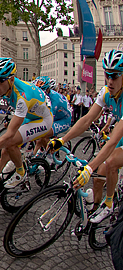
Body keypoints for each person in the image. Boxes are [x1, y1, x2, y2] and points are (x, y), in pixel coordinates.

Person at [51, 49, 123, 221]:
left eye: (115, 76)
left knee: (111, 161)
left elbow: (113, 142)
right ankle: (94, 214)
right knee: (99, 177)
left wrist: (89, 168)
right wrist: (63, 139)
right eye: (107, 75)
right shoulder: (107, 92)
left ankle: (109, 203)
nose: (109, 81)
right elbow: (87, 119)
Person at [0, 57, 53, 189]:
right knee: (6, 150)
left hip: (43, 120)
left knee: (10, 141)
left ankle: (20, 172)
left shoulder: (22, 97)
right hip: (31, 114)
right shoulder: (2, 85)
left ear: (11, 79)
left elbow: (9, 134)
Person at [30, 76, 72, 162]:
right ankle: (33, 159)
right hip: (56, 116)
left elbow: (48, 119)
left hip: (64, 120)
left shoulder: (53, 100)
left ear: (47, 90)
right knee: (39, 139)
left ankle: (49, 156)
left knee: (44, 133)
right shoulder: (46, 95)